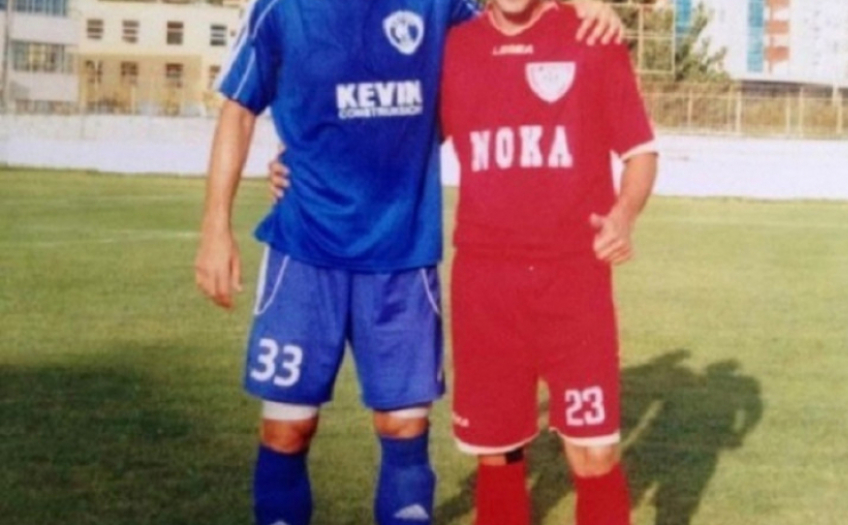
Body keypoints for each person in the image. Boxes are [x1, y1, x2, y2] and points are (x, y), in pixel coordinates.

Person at [194, 0, 625, 524]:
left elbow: (511, 11)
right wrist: (215, 229)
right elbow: (238, 109)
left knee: (403, 429)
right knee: (287, 429)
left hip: (403, 258)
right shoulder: (282, 7)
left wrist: (583, 3)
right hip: (305, 252)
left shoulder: (441, 4)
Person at [439, 0, 658, 523]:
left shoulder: (591, 37)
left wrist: (623, 215)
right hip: (486, 281)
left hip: (573, 279)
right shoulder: (456, 46)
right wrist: (301, 161)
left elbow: (640, 152)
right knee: (497, 450)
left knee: (594, 450)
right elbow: (395, 136)